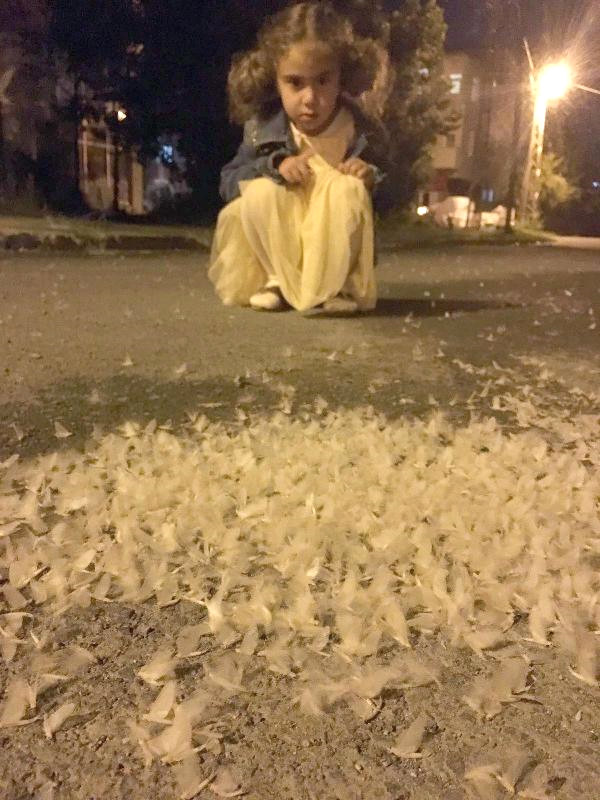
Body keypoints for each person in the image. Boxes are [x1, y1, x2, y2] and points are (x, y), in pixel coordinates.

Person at [208, 1, 392, 314]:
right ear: (275, 79)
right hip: (282, 242)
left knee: (348, 190)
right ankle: (278, 280)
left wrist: (369, 175)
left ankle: (336, 284)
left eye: (323, 81)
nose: (310, 98)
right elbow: (229, 182)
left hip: (332, 243)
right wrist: (274, 165)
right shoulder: (263, 129)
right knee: (259, 192)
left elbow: (390, 192)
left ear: (341, 77)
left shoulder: (359, 130)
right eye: (295, 82)